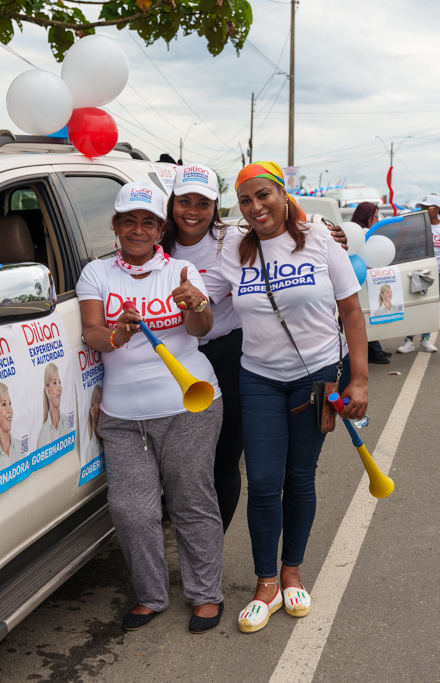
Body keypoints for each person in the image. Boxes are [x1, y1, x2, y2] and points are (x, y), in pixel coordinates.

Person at [202, 161, 369, 635]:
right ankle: (266, 584)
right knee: (263, 481)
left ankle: (293, 571)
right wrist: (186, 296)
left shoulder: (318, 238)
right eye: (246, 200)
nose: (256, 207)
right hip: (257, 378)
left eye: (263, 196)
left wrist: (359, 380)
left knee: (300, 477)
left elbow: (352, 311)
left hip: (316, 377)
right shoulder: (234, 247)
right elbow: (208, 298)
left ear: (282, 194)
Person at [76, 181, 226, 634]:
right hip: (123, 418)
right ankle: (151, 595)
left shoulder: (181, 271)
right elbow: (93, 335)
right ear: (116, 226)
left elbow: (200, 328)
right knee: (131, 509)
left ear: (160, 228)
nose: (138, 230)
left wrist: (196, 304)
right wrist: (118, 333)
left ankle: (205, 595)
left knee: (190, 501)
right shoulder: (96, 274)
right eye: (129, 221)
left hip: (189, 404)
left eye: (148, 222)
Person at [160, 163, 245, 534]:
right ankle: (176, 529)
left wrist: (330, 234)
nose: (192, 211)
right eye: (184, 201)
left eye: (203, 203)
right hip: (170, 359)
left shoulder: (236, 239)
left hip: (226, 354)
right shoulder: (153, 238)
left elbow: (286, 234)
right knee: (177, 460)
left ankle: (211, 548)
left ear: (216, 206)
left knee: (223, 459)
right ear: (172, 203)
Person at [396, 194, 440, 354]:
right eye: (421, 207)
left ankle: (425, 339)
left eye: (426, 208)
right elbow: (402, 243)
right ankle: (409, 340)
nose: (422, 210)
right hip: (418, 272)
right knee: (415, 305)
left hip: (439, 272)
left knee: (431, 306)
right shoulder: (417, 226)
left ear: (437, 209)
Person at [347, 202, 392, 364]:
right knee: (364, 315)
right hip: (358, 282)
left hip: (365, 280)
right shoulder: (361, 233)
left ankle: (375, 348)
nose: (376, 219)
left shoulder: (361, 232)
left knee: (369, 313)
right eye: (375, 216)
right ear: (367, 216)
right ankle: (372, 351)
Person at [82, 385, 103, 466]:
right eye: (98, 402)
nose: (101, 406)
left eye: (102, 401)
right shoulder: (89, 451)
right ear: (92, 411)